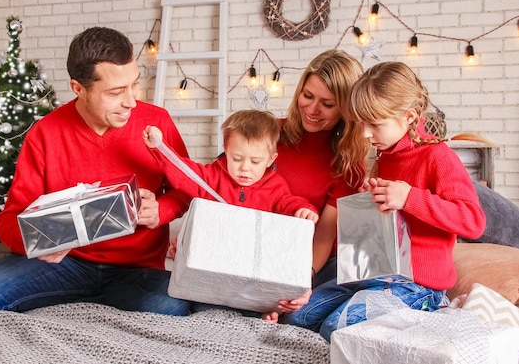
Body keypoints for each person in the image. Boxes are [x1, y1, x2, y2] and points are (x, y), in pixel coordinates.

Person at [0, 27, 193, 320]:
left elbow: (187, 191)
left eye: (134, 85)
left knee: (170, 307)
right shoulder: (45, 133)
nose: (130, 101)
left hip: (136, 270)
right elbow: (9, 218)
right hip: (63, 266)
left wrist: (161, 210)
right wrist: (37, 239)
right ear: (78, 88)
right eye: (116, 92)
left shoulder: (157, 121)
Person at [279, 61, 486, 342]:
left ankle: (431, 309)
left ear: (409, 115)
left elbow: (472, 221)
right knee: (297, 317)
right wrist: (372, 199)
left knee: (336, 329)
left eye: (374, 124)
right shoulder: (387, 155)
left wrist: (408, 197)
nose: (365, 133)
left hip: (417, 285)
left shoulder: (437, 156)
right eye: (360, 123)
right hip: (374, 276)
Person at [262, 50, 366, 321]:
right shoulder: (269, 132)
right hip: (263, 248)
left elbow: (324, 234)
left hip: (313, 261)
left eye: (327, 104)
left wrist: (298, 281)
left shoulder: (348, 163)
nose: (312, 109)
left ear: (346, 109)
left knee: (295, 316)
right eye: (307, 96)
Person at [143, 109, 319, 222]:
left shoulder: (275, 187)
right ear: (225, 150)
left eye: (255, 161)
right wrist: (160, 147)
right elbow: (185, 172)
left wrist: (303, 210)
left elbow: (289, 203)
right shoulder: (213, 177)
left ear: (270, 159)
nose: (245, 168)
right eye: (236, 158)